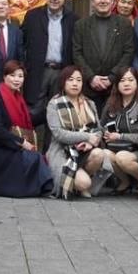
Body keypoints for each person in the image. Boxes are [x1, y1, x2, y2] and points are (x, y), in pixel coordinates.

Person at [0, 60, 54, 198]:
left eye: (20, 76)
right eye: (12, 75)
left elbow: (29, 121)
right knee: (32, 157)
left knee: (33, 156)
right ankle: (48, 187)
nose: (17, 80)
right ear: (4, 76)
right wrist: (22, 142)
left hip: (12, 145)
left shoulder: (18, 99)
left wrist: (51, 109)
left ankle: (46, 186)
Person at [46, 66, 114, 200]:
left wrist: (92, 142)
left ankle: (77, 182)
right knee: (85, 183)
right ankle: (79, 184)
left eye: (79, 80)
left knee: (99, 153)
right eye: (70, 80)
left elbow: (98, 129)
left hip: (84, 151)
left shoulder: (90, 103)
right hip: (63, 151)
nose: (75, 83)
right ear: (63, 82)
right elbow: (59, 134)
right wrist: (87, 137)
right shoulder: (54, 104)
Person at [72, 0, 134, 113]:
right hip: (89, 86)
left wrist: (112, 77)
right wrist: (91, 77)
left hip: (115, 86)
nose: (103, 0)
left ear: (112, 1)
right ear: (93, 2)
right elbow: (76, 53)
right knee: (90, 127)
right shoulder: (81, 25)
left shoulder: (124, 24)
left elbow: (128, 52)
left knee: (112, 127)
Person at [22, 0, 78, 119]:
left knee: (60, 113)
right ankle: (30, 140)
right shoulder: (32, 16)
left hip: (62, 72)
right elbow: (22, 42)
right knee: (32, 113)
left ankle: (51, 142)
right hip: (37, 72)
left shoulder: (73, 19)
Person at [100, 68, 138, 199]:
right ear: (117, 84)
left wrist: (120, 136)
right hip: (116, 148)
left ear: (137, 83)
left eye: (131, 80)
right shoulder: (110, 103)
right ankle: (125, 182)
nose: (126, 84)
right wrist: (105, 133)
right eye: (122, 80)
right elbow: (100, 126)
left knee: (123, 157)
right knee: (104, 154)